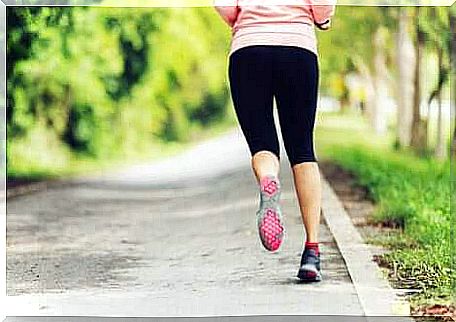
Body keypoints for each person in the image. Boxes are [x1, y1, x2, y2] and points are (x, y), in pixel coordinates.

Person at [214, 0, 336, 282]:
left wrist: (244, 20)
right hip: (298, 50)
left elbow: (222, 4)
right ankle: (312, 252)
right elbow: (323, 4)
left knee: (262, 143)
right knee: (302, 149)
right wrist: (323, 19)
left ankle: (269, 178)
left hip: (248, 51)